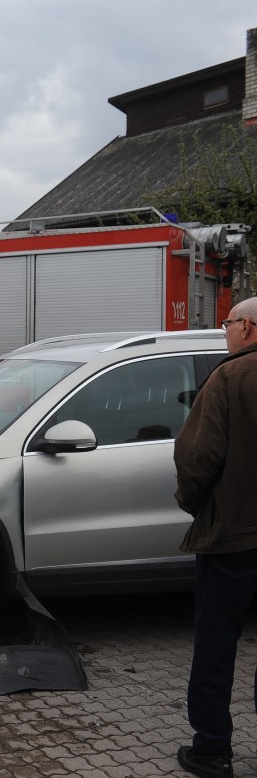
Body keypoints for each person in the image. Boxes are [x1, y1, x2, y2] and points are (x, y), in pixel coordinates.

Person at [173, 297, 257, 778]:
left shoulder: (229, 378)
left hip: (234, 539)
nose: (223, 331)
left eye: (226, 323)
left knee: (215, 650)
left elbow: (197, 458)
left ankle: (210, 753)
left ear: (247, 326)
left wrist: (194, 503)